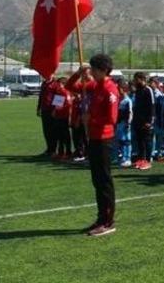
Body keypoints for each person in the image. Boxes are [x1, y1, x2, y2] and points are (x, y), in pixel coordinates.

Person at [66, 54, 119, 237]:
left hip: (104, 139)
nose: (92, 72)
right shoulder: (95, 86)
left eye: (94, 69)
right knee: (97, 181)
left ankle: (108, 221)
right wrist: (78, 73)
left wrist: (92, 119)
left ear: (103, 70)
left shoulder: (109, 89)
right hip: (93, 139)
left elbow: (112, 118)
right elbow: (71, 87)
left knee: (104, 181)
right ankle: (100, 217)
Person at [131, 72, 155, 170]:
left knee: (147, 140)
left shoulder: (148, 90)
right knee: (140, 141)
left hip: (146, 121)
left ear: (141, 79)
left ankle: (148, 160)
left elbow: (152, 106)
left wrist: (150, 121)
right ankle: (141, 159)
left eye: (136, 79)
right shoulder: (138, 91)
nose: (135, 81)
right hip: (138, 120)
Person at [115, 81, 133, 168]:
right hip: (119, 123)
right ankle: (121, 157)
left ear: (124, 89)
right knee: (120, 141)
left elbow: (130, 113)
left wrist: (128, 123)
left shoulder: (127, 101)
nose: (117, 90)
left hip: (125, 124)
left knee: (126, 141)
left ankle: (127, 158)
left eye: (119, 89)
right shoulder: (119, 100)